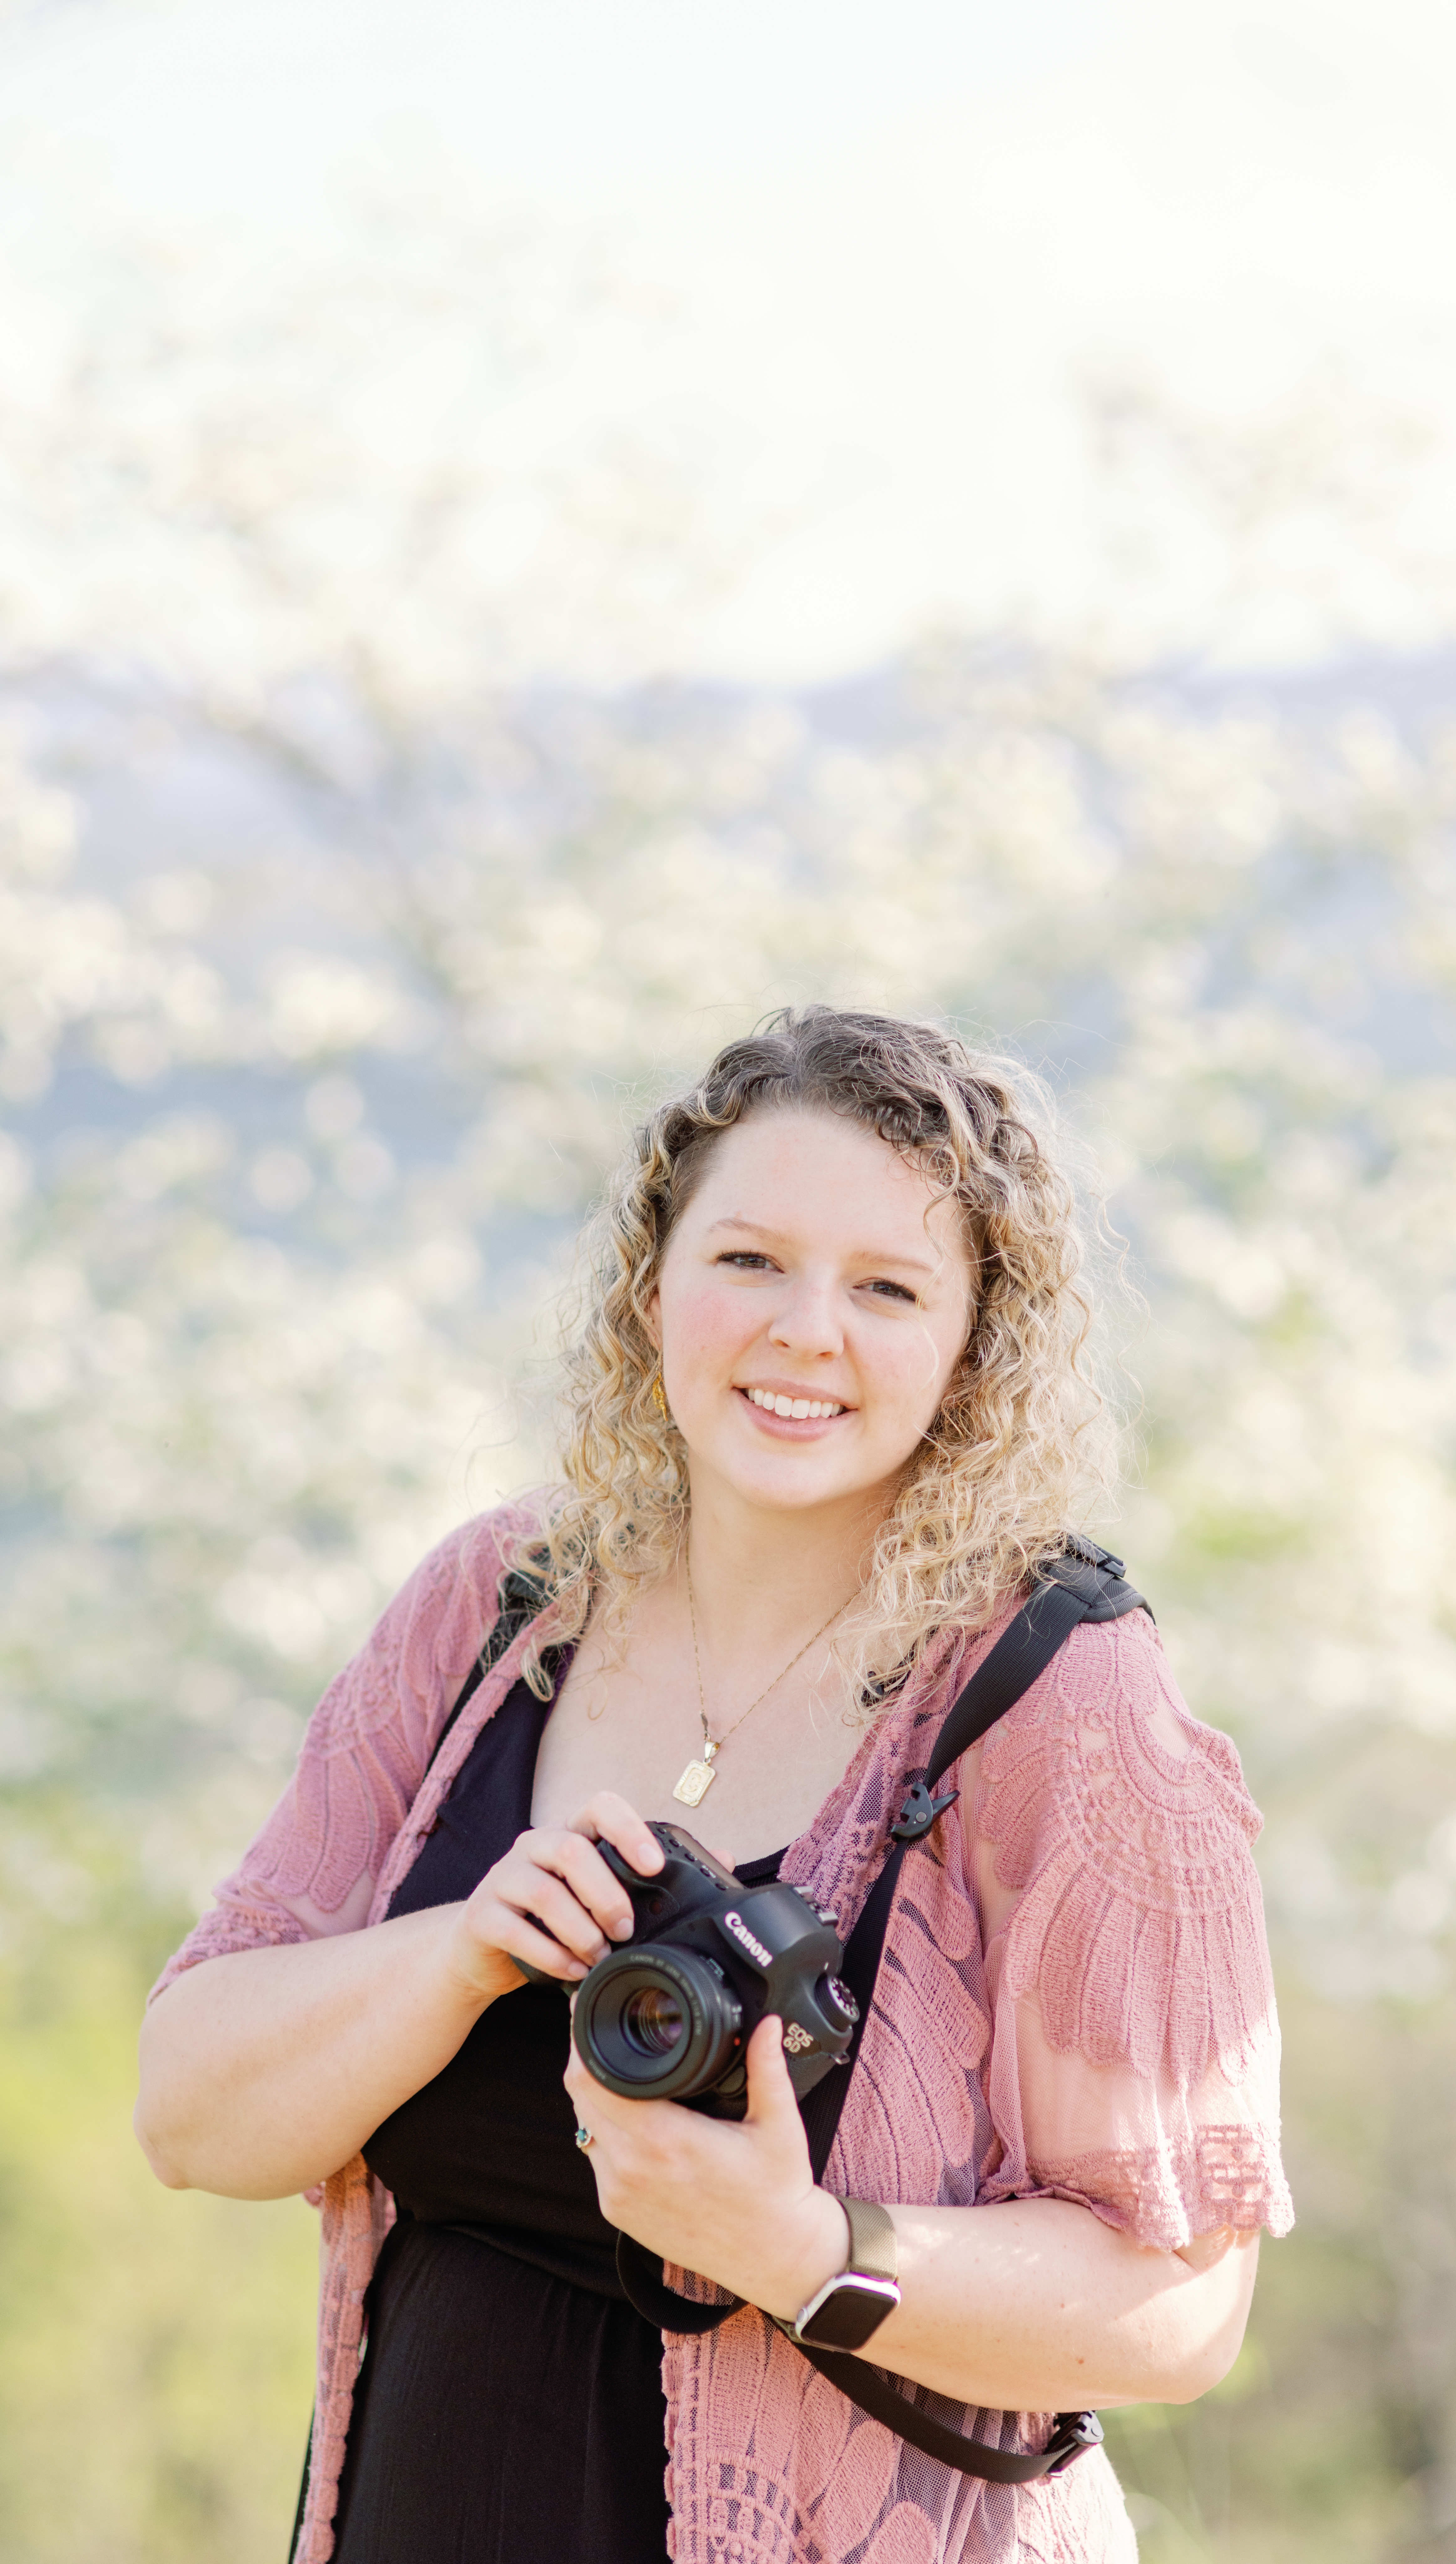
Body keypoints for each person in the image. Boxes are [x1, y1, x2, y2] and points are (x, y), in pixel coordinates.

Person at [136, 1006, 1293, 2564]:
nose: (805, 1330)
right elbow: (192, 2114)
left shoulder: (1064, 1703)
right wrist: (462, 1948)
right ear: (655, 1280)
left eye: (887, 1287)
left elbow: (1182, 2307)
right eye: (748, 1259)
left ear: (974, 1345)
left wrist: (807, 2249)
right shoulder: (501, 1605)